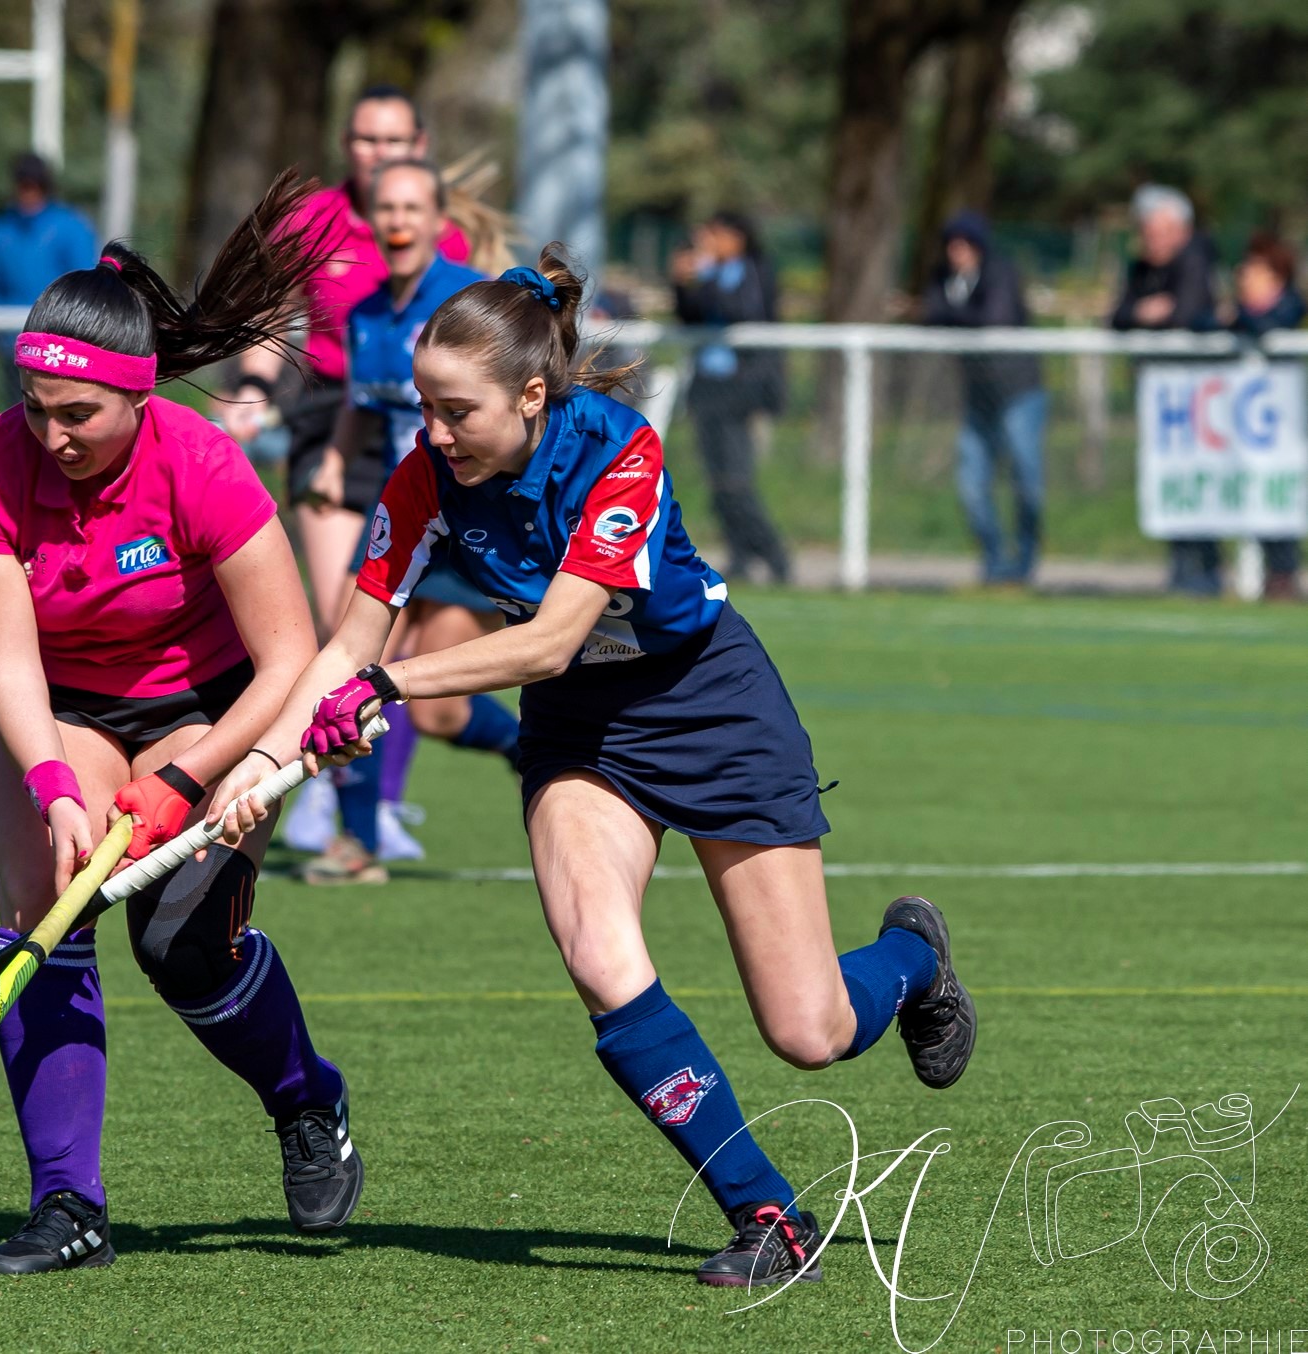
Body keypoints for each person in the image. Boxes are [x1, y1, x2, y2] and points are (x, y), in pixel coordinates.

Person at [209, 248, 977, 1288]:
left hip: (709, 703)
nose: (432, 433)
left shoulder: (620, 449)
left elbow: (550, 639)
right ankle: (769, 1217)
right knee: (598, 955)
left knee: (809, 1028)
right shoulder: (427, 474)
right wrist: (259, 764)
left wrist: (394, 687)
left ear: (531, 394)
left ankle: (913, 957)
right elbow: (348, 645)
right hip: (581, 730)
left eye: (455, 411)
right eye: (424, 407)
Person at [0, 171, 362, 1275]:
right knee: (41, 915)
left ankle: (306, 1100)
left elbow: (291, 658)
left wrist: (198, 772)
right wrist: (54, 788)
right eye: (37, 408)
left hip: (209, 700)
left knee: (180, 940)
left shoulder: (204, 464)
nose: (55, 433)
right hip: (61, 703)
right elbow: (11, 661)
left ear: (137, 398)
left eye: (79, 414)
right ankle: (68, 1204)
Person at [209, 86, 471, 856]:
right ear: (347, 143)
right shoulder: (314, 222)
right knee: (344, 620)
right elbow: (270, 317)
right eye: (364, 138)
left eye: (393, 140)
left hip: (418, 424)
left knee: (403, 647)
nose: (378, 153)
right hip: (336, 415)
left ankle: (374, 802)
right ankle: (329, 795)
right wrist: (255, 389)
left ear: (418, 144)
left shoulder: (438, 237)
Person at [301, 158, 521, 884]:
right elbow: (360, 406)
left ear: (437, 222)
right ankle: (356, 842)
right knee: (351, 662)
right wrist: (336, 462)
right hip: (405, 510)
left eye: (411, 208)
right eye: (385, 209)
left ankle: (529, 749)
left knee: (439, 713)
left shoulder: (468, 302)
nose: (397, 221)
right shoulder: (365, 315)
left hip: (476, 517)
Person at [920, 211, 1047, 586]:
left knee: (1026, 478)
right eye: (952, 244)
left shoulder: (1000, 273)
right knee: (972, 483)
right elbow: (930, 313)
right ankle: (994, 560)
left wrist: (948, 314)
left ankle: (1024, 560)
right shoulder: (945, 280)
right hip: (978, 397)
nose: (957, 251)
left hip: (1018, 390)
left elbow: (993, 318)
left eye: (965, 243)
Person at [1110, 184, 1221, 595]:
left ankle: (1206, 571)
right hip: (1162, 401)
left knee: (1200, 482)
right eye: (1148, 232)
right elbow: (1118, 315)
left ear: (1181, 231)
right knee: (1171, 484)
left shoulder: (1194, 261)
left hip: (1198, 399)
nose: (1150, 241)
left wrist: (1157, 314)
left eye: (1159, 232)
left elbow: (1186, 314)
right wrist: (1144, 311)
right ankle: (1181, 568)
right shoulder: (1140, 268)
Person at [671, 211, 790, 584]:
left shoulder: (752, 270)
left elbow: (742, 311)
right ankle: (739, 554)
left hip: (742, 388)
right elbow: (689, 315)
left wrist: (704, 274)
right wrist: (681, 282)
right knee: (718, 481)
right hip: (709, 386)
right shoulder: (709, 275)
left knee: (737, 479)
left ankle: (774, 555)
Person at [1229, 232, 1305, 601]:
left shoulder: (1291, 306)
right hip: (1256, 426)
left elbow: (1265, 326)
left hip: (1288, 427)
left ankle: (1284, 571)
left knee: (1283, 491)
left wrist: (1238, 314)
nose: (1243, 276)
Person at [0, 152, 98, 372]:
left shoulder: (71, 226)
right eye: (24, 185)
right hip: (12, 342)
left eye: (35, 186)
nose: (29, 193)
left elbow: (84, 281)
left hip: (60, 343)